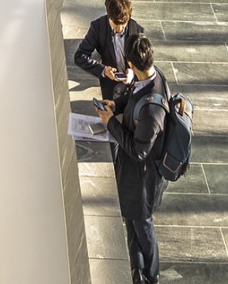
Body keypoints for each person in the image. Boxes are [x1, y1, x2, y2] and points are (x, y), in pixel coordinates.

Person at [96, 34, 170, 284]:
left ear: (131, 64)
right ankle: (136, 270)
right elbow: (135, 93)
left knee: (142, 224)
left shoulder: (152, 112)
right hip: (134, 175)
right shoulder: (154, 75)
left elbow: (139, 151)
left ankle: (151, 273)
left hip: (142, 179)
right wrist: (116, 106)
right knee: (132, 220)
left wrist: (110, 125)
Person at [74, 0, 146, 101]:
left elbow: (144, 62)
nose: (121, 28)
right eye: (117, 24)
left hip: (133, 82)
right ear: (109, 16)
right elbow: (80, 56)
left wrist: (133, 72)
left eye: (124, 24)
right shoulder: (98, 28)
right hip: (110, 85)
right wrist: (103, 70)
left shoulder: (137, 30)